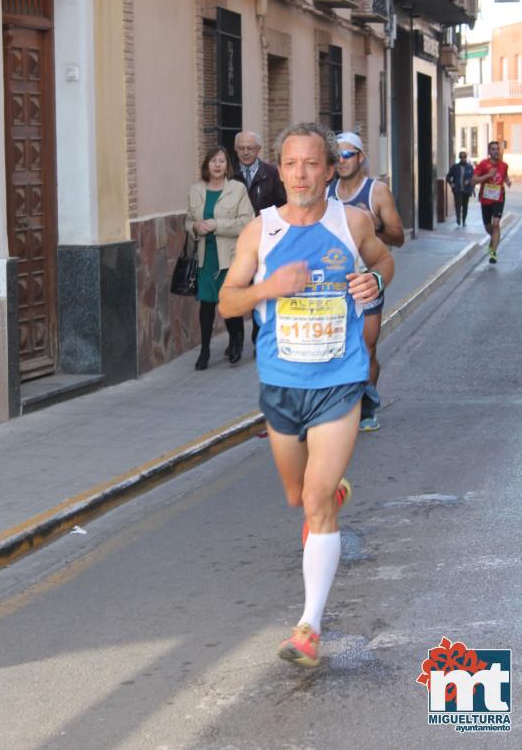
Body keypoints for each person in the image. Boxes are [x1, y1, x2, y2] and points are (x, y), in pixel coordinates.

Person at [219, 122, 394, 667]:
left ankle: (309, 626)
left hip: (339, 381)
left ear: (329, 168)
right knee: (298, 495)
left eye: (312, 163)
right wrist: (270, 287)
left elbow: (383, 258)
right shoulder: (261, 231)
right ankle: (326, 494)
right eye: (291, 163)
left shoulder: (353, 221)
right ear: (280, 168)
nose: (300, 174)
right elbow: (228, 303)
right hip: (281, 383)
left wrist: (376, 282)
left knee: (315, 502)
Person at [327, 132, 404, 432]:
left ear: (360, 157)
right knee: (339, 349)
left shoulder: (377, 191)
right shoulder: (326, 191)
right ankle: (346, 403)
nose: (343, 161)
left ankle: (366, 408)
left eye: (349, 155)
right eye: (338, 156)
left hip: (367, 279)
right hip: (336, 284)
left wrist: (373, 225)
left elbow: (398, 237)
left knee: (366, 348)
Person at [186, 147, 253, 369]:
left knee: (228, 303)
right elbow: (188, 221)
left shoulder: (237, 189)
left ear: (227, 165)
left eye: (222, 161)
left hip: (229, 256)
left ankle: (236, 342)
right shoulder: (195, 190)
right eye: (213, 161)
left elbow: (246, 222)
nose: (217, 165)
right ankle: (204, 350)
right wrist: (195, 226)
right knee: (206, 304)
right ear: (206, 165)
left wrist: (217, 225)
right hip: (206, 256)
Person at [232, 131, 287, 354]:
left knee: (259, 289)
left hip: (265, 242)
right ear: (236, 150)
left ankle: (257, 334)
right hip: (235, 242)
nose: (246, 152)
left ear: (258, 150)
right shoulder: (229, 174)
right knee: (235, 289)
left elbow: (283, 204)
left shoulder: (271, 173)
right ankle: (235, 340)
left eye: (250, 148)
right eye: (241, 148)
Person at [473, 140, 511, 264]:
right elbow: (474, 181)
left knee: (496, 224)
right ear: (489, 151)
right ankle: (493, 240)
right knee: (488, 226)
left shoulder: (504, 165)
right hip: (486, 199)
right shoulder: (483, 164)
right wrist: (487, 176)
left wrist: (507, 181)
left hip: (499, 197)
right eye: (493, 149)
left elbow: (504, 175)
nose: (496, 151)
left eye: (497, 149)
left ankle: (493, 252)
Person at [446, 151, 474, 226]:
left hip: (466, 190)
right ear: (459, 157)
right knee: (458, 205)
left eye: (464, 156)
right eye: (461, 157)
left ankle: (464, 220)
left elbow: (473, 178)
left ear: (466, 157)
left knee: (465, 205)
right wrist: (451, 183)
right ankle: (458, 218)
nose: (463, 158)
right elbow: (448, 177)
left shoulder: (470, 167)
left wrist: (469, 181)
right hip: (457, 190)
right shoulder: (455, 167)